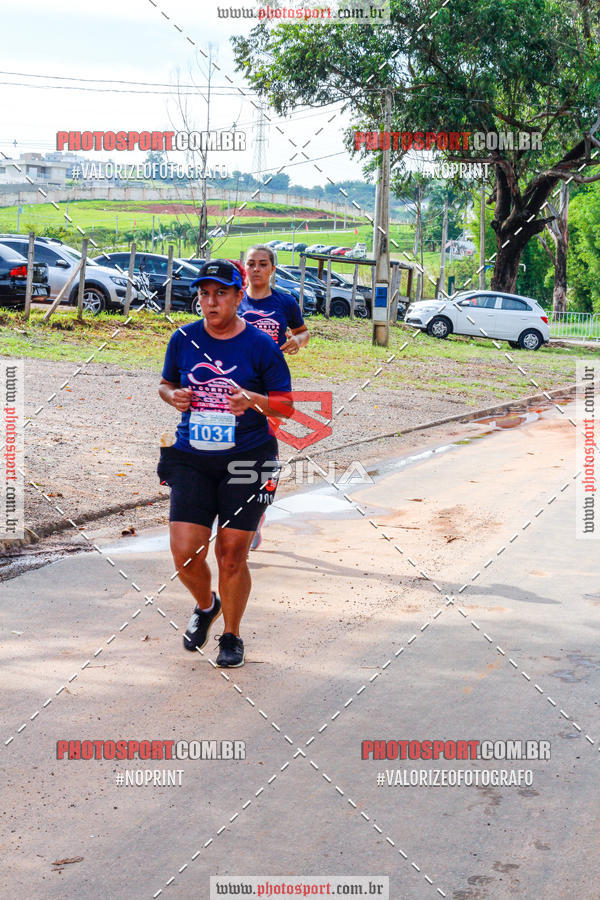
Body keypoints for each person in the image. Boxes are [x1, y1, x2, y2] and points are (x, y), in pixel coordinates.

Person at [157, 259, 293, 668]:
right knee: (185, 554)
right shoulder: (182, 338)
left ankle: (231, 635)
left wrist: (254, 399)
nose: (210, 301)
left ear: (238, 296)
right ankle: (206, 604)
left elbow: (286, 406)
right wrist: (172, 396)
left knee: (232, 553)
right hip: (191, 458)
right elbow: (166, 383)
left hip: (248, 458)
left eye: (220, 293)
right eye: (204, 293)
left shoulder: (260, 346)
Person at [239, 245, 310, 547]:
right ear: (244, 268)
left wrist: (297, 341)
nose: (256, 269)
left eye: (262, 264)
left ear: (272, 269)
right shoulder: (234, 300)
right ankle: (236, 514)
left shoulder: (285, 302)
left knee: (264, 456)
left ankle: (255, 516)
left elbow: (304, 331)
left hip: (271, 389)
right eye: (251, 263)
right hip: (234, 385)